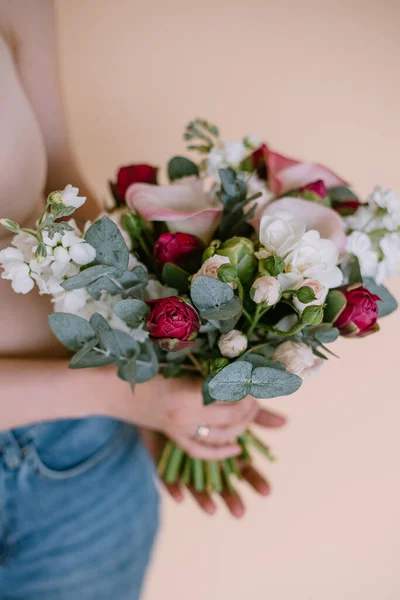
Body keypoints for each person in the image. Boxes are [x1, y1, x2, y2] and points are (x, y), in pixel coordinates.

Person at [0, 1, 286, 598]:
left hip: (84, 464)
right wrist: (128, 395)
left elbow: (60, 181)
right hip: (97, 401)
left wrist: (159, 366)